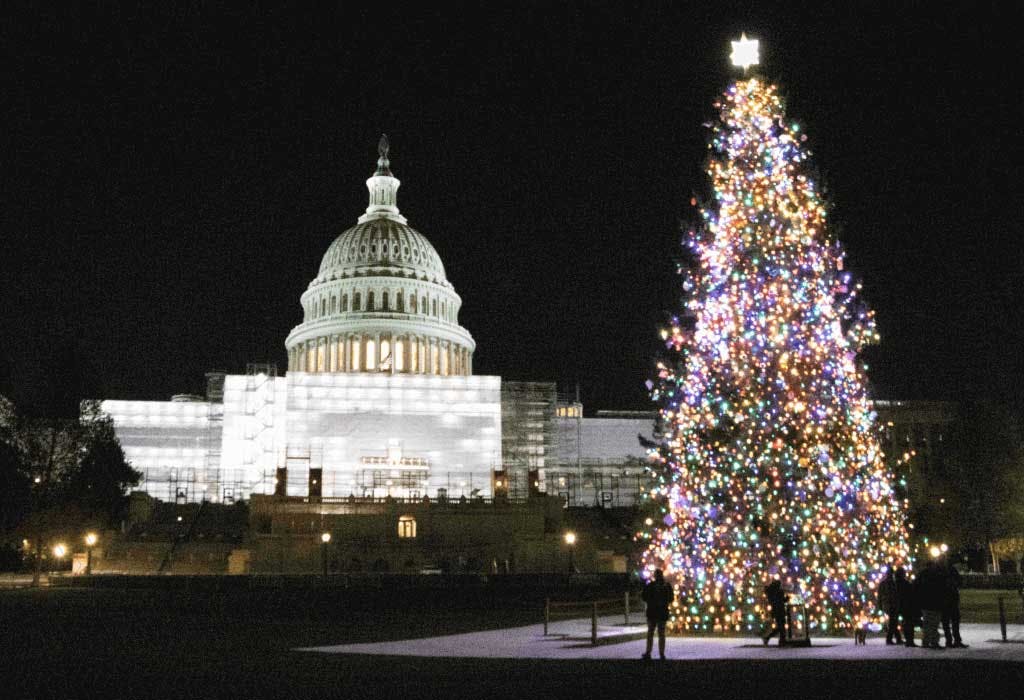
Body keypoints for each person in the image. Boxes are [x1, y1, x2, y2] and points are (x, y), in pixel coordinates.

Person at [641, 568, 674, 660]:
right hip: (662, 612)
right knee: (661, 634)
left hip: (652, 612)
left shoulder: (651, 586)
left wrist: (651, 601)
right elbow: (671, 598)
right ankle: (661, 653)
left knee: (651, 633)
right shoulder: (666, 586)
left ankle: (649, 652)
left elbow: (644, 596)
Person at [917, 559, 946, 649]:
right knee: (934, 624)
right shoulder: (937, 575)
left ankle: (926, 641)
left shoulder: (922, 575)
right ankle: (933, 642)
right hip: (935, 604)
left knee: (927, 624)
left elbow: (917, 588)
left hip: (926, 604)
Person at [942, 560, 967, 648]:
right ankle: (950, 641)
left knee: (953, 621)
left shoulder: (950, 570)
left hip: (951, 599)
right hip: (945, 599)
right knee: (947, 621)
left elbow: (960, 580)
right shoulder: (941, 571)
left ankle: (956, 640)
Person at [878, 566, 903, 645]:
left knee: (893, 622)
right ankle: (890, 639)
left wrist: (881, 605)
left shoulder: (884, 583)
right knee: (893, 622)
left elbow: (880, 596)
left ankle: (897, 638)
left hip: (888, 605)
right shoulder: (893, 583)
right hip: (891, 605)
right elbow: (895, 595)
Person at [896, 567, 919, 647]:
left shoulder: (897, 583)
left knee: (906, 623)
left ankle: (908, 640)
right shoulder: (904, 583)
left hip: (902, 606)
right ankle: (910, 640)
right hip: (907, 606)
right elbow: (910, 593)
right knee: (909, 623)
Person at [762, 579, 788, 646]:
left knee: (781, 627)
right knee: (781, 627)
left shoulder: (772, 593)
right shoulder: (778, 592)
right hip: (779, 611)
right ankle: (778, 640)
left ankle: (780, 641)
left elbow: (777, 601)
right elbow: (780, 601)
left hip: (776, 611)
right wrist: (786, 599)